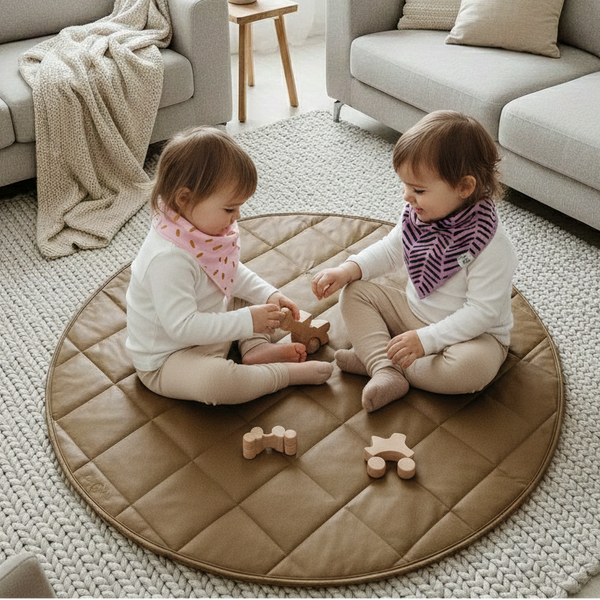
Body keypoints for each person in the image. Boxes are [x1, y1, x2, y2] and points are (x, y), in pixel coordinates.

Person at [312, 110, 517, 412]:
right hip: (413, 314)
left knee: (471, 370)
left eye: (419, 190)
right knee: (354, 292)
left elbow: (481, 313)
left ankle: (378, 360)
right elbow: (393, 249)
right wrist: (348, 269)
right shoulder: (418, 216)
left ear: (464, 187)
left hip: (472, 337)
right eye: (405, 186)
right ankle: (384, 366)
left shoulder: (491, 246)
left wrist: (427, 340)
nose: (407, 197)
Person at [126, 127, 333, 405]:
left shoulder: (201, 231)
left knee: (242, 295)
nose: (237, 216)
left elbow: (227, 272)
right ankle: (282, 375)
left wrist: (268, 295)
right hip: (169, 358)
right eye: (229, 209)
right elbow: (183, 328)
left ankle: (255, 349)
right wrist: (249, 321)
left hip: (210, 329)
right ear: (184, 199)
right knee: (217, 383)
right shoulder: (167, 259)